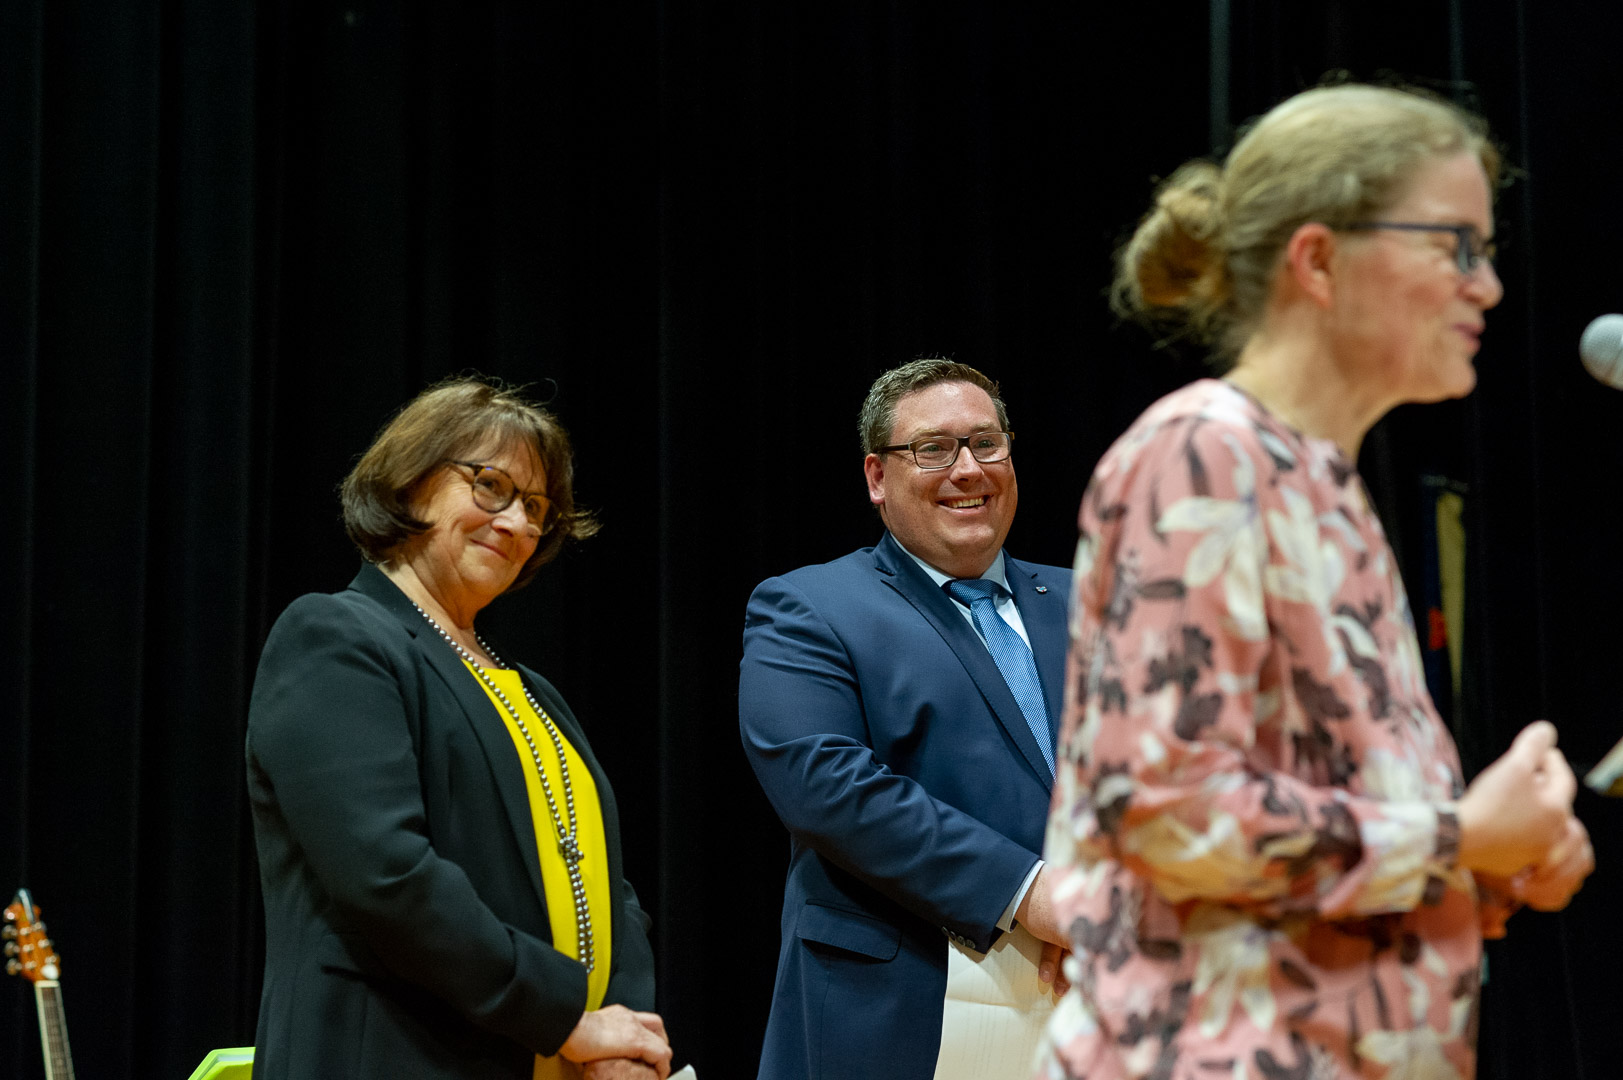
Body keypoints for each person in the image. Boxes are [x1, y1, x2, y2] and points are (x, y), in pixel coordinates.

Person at [1038, 85, 1593, 1079]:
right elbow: (1165, 808)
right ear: (1319, 259)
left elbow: (1285, 864)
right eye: (1456, 246)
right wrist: (1456, 835)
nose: (1487, 286)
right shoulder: (1200, 454)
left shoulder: (1325, 486)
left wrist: (1490, 865)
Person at [246, 377, 673, 1080]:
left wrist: (620, 1033)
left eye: (535, 507)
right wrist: (567, 1020)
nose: (517, 524)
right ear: (411, 483)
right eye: (491, 486)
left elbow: (608, 887)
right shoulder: (335, 637)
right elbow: (388, 876)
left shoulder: (532, 690)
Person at [740, 358, 1074, 1080]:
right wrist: (1030, 893)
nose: (968, 469)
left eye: (987, 443)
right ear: (877, 476)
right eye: (933, 449)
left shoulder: (1095, 604)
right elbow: (828, 788)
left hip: (1098, 1000)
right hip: (897, 1014)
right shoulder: (809, 607)